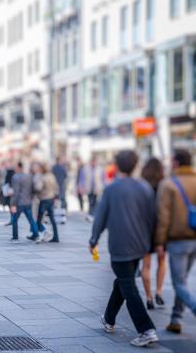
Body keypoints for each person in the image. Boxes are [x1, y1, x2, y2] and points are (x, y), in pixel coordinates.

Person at [90, 150, 158, 347]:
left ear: (117, 166)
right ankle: (109, 318)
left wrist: (93, 239)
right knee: (123, 281)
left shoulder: (112, 189)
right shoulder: (145, 187)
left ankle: (146, 329)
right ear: (136, 164)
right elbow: (153, 217)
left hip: (120, 245)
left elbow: (100, 217)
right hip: (140, 244)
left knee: (128, 286)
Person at [154, 149, 196, 335]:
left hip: (178, 241)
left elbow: (163, 217)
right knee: (183, 281)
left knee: (179, 283)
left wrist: (159, 242)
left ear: (176, 163)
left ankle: (193, 308)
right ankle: (175, 319)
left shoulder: (169, 184)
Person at [140, 158, 166, 310]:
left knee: (146, 264)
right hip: (161, 228)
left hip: (145, 229)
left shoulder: (141, 187)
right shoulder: (164, 185)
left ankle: (149, 297)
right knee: (162, 260)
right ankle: (159, 292)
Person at [10, 162, 40, 242]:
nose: (14, 169)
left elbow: (15, 192)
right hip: (28, 202)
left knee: (14, 219)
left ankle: (15, 236)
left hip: (19, 203)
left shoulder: (15, 177)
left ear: (19, 167)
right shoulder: (29, 176)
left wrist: (13, 203)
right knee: (31, 219)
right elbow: (32, 189)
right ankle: (36, 234)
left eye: (15, 167)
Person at [33, 163, 60, 243]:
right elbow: (56, 187)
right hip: (51, 199)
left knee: (39, 219)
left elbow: (38, 187)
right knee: (52, 219)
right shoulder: (52, 176)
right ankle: (56, 237)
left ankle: (40, 235)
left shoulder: (43, 177)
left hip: (44, 199)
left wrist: (35, 188)